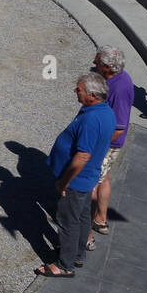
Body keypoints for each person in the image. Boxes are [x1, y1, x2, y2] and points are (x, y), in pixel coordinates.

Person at [37, 73, 114, 277]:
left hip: (76, 181)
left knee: (68, 222)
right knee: (81, 219)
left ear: (93, 95)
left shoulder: (91, 119)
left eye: (78, 89)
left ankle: (64, 265)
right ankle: (77, 255)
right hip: (88, 178)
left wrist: (63, 182)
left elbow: (82, 156)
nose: (75, 91)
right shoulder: (105, 111)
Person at [88, 46, 132, 246]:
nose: (94, 65)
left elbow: (120, 126)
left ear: (107, 67)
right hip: (109, 143)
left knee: (92, 184)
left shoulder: (120, 88)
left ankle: (85, 226)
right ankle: (101, 219)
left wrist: (97, 147)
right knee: (103, 179)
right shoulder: (117, 79)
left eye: (97, 63)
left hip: (107, 144)